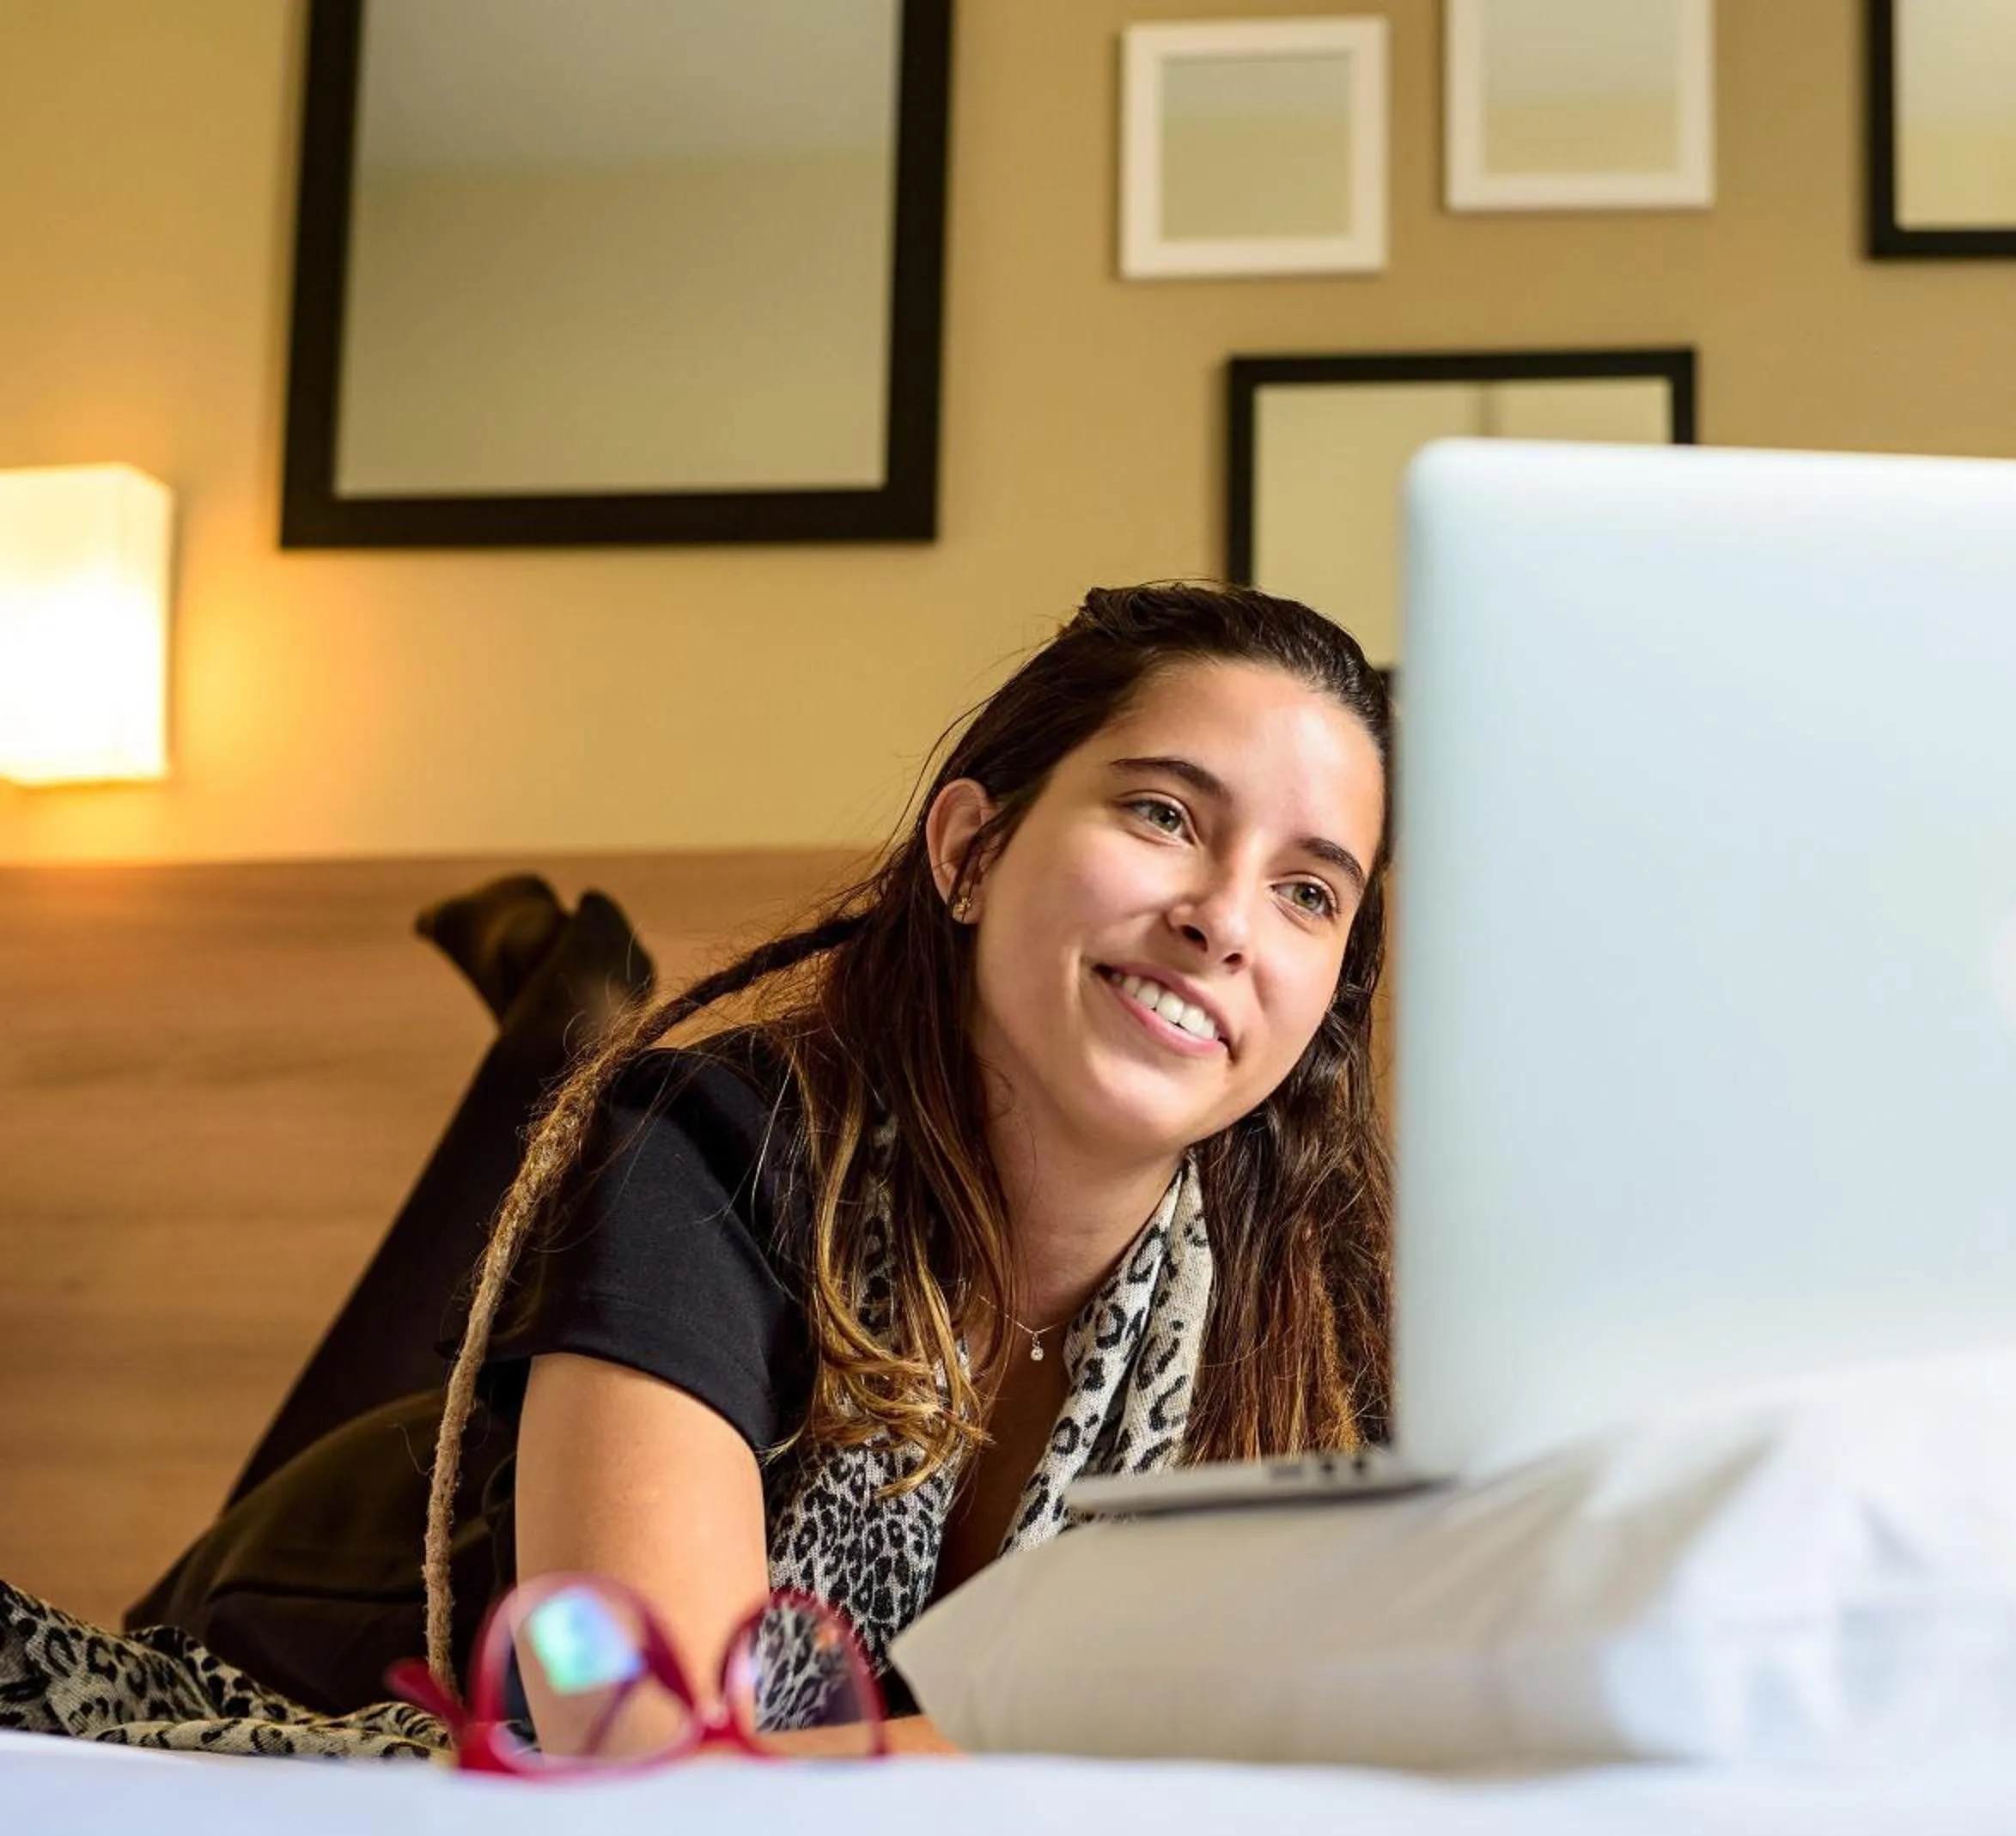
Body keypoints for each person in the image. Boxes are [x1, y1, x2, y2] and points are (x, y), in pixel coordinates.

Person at [411, 581, 1395, 1757]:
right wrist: (1168, 1734)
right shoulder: (710, 1149)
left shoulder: (1324, 1326)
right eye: (1162, 814)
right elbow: (642, 1756)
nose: (1226, 919)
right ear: (970, 850)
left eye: (1308, 891)